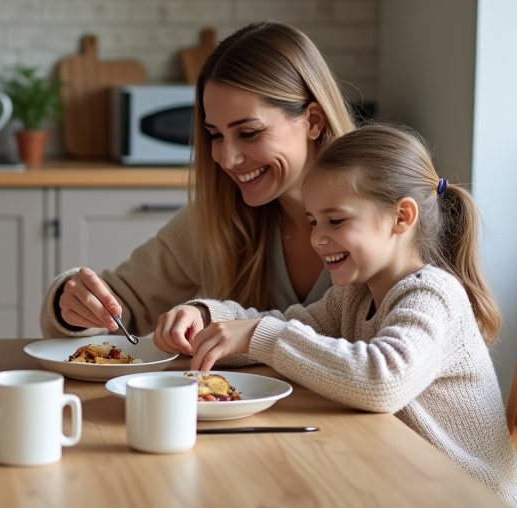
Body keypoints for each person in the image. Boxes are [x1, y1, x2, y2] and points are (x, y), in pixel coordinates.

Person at [171, 124, 517, 508]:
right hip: (408, 497)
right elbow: (289, 327)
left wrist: (260, 336)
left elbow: (381, 381)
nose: (318, 239)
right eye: (313, 222)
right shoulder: (355, 295)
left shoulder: (433, 295)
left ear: (401, 217)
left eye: (335, 221)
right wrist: (209, 323)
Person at [43, 21, 356, 348]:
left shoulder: (391, 218)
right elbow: (124, 302)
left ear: (314, 121)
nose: (227, 159)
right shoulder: (216, 216)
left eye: (248, 133)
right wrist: (72, 305)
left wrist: (216, 318)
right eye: (215, 135)